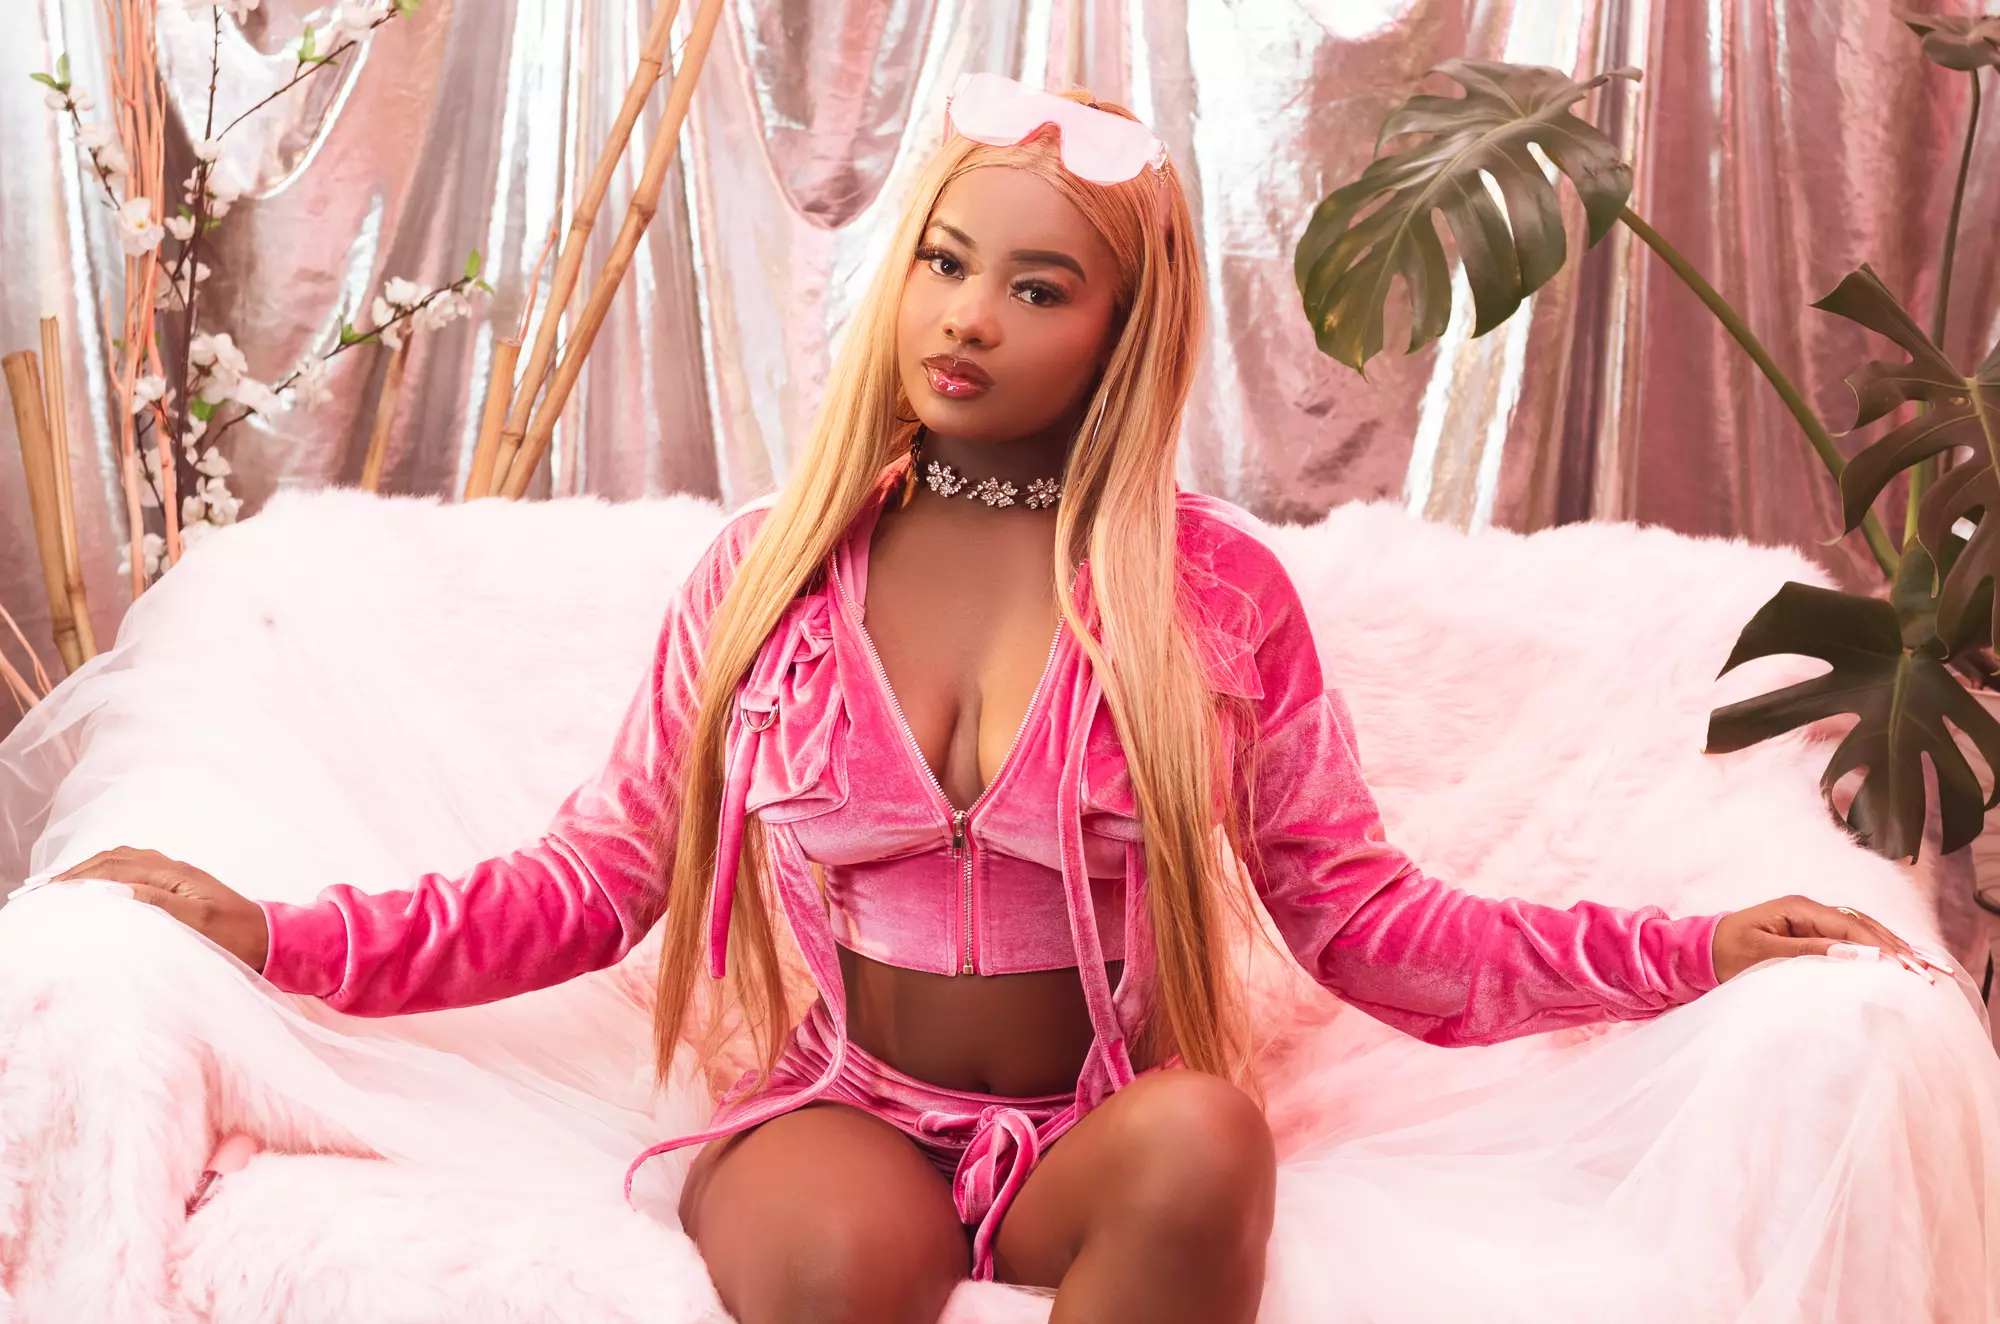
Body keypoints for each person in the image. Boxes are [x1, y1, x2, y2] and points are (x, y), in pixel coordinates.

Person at [51, 73, 1947, 1324]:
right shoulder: (771, 580)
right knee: (839, 1259)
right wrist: (274, 929)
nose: (968, 314)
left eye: (1040, 288)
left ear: (1122, 332)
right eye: (948, 265)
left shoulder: (1213, 600)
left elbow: (1372, 921)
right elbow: (594, 879)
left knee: (1207, 1140)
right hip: (844, 1113)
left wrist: (1692, 949)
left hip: (1093, 1128)